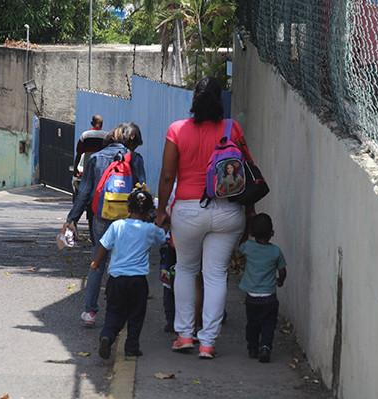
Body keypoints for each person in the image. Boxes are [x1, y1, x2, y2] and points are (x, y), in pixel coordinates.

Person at [156, 77, 255, 359]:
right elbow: (247, 171)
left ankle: (184, 335)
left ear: (194, 100)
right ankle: (208, 342)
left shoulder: (177, 130)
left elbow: (167, 176)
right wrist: (249, 212)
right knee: (215, 276)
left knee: (186, 270)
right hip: (227, 211)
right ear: (219, 99)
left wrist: (162, 210)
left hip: (187, 211)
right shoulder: (231, 128)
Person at [62, 122, 146, 327]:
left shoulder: (96, 158)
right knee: (123, 265)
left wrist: (71, 219)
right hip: (127, 220)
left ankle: (90, 312)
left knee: (97, 264)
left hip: (100, 217)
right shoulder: (135, 158)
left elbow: (84, 193)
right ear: (131, 141)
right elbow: (142, 193)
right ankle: (120, 311)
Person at [93, 188, 166, 359]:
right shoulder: (149, 229)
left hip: (116, 280)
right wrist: (159, 221)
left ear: (128, 208)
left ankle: (107, 336)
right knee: (136, 314)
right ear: (149, 211)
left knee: (114, 311)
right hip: (138, 281)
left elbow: (103, 245)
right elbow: (163, 238)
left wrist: (96, 263)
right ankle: (131, 347)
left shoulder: (117, 225)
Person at [238, 213, 287, 363]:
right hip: (269, 297)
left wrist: (246, 228)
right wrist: (281, 280)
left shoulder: (248, 247)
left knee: (252, 323)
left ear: (252, 233)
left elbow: (239, 248)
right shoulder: (276, 251)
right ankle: (265, 347)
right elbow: (282, 270)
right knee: (268, 324)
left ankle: (252, 347)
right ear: (272, 233)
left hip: (251, 297)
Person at [72, 115, 109, 242]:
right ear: (102, 123)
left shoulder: (85, 135)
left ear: (92, 122)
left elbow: (79, 153)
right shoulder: (106, 136)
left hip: (88, 173)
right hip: (102, 174)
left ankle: (72, 221)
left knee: (82, 197)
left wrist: (76, 168)